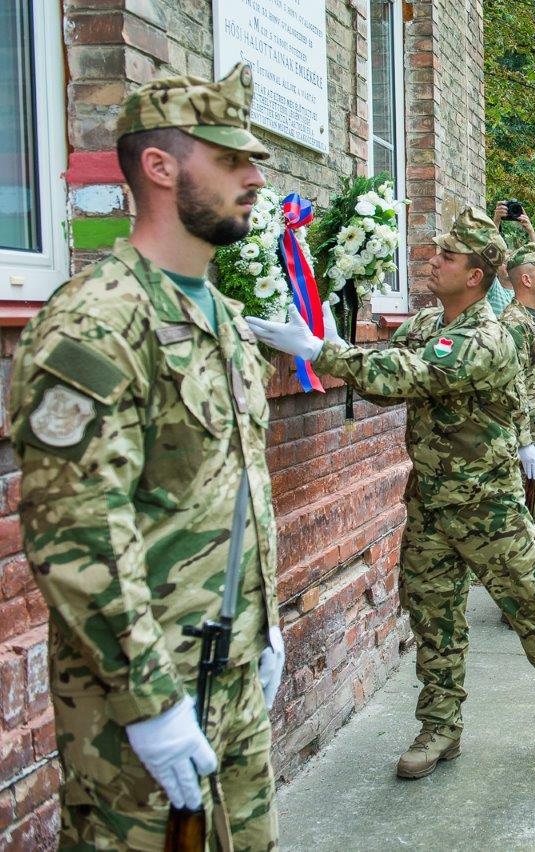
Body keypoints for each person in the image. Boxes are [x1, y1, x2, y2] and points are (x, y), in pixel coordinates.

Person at [10, 64, 285, 848]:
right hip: (139, 699)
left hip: (231, 669)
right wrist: (152, 702)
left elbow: (234, 485)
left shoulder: (224, 318)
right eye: (231, 159)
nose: (255, 177)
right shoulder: (97, 322)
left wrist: (265, 629)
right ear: (160, 168)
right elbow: (78, 535)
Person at [246, 208, 535, 776]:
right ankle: (440, 728)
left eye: (447, 256)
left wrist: (320, 349)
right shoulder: (427, 325)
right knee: (434, 620)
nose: (433, 260)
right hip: (429, 507)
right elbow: (386, 374)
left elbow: (410, 375)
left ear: (475, 275)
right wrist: (329, 343)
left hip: (490, 512)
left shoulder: (488, 338)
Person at [486, 200, 535, 316]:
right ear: (496, 266)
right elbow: (489, 251)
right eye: (504, 261)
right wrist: (496, 221)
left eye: (512, 260)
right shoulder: (493, 288)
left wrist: (530, 230)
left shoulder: (525, 291)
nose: (509, 264)